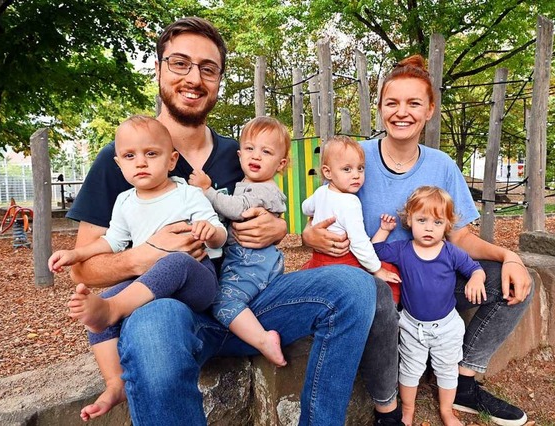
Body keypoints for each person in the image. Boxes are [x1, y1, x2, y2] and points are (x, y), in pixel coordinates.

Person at [66, 17, 377, 425]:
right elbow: (84, 267)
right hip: (176, 312)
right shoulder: (124, 156)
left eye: (207, 68)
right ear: (158, 69)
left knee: (354, 285)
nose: (194, 78)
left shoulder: (242, 152)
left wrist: (282, 231)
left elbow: (284, 214)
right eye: (180, 63)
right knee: (154, 325)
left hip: (253, 303)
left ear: (218, 81)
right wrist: (147, 256)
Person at [302, 54, 533, 426]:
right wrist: (308, 234)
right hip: (376, 279)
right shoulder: (356, 158)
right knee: (374, 298)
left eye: (413, 103)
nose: (401, 112)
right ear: (380, 109)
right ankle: (388, 406)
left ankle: (462, 382)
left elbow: (459, 237)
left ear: (429, 110)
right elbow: (320, 216)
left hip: (431, 279)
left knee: (514, 283)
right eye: (392, 103)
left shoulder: (442, 165)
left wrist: (510, 257)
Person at [50, 115, 227, 421]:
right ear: (119, 164)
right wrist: (76, 253)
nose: (140, 163)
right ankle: (115, 382)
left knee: (172, 262)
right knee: (97, 306)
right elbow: (112, 241)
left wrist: (210, 232)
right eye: (130, 156)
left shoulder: (187, 193)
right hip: (152, 288)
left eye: (151, 154)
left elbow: (219, 231)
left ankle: (114, 309)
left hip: (196, 282)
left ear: (171, 161)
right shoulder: (124, 202)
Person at [372, 186, 486, 426]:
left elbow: (475, 268)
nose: (428, 227)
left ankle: (447, 411)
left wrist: (476, 279)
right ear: (409, 220)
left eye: (437, 222)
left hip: (446, 327)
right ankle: (408, 411)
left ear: (447, 225)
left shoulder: (451, 252)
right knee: (410, 370)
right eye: (422, 220)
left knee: (447, 370)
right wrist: (383, 230)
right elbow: (375, 251)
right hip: (413, 326)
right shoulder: (403, 250)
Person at [188, 116, 291, 367]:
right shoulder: (248, 183)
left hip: (251, 261)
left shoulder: (264, 189)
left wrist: (207, 190)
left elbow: (237, 210)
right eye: (249, 149)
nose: (256, 156)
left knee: (223, 303)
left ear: (281, 163)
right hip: (249, 260)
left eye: (266, 152)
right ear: (239, 154)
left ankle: (264, 340)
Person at [301, 135, 401, 285]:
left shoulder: (321, 192)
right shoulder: (350, 202)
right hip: (342, 263)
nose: (356, 175)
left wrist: (315, 216)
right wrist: (378, 270)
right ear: (328, 172)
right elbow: (358, 241)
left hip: (318, 261)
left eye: (360, 168)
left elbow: (305, 208)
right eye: (347, 169)